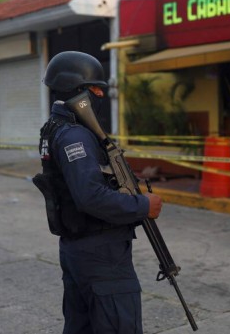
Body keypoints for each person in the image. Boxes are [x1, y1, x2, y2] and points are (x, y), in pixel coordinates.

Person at [39, 51, 163, 334]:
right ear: (77, 89)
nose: (100, 95)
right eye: (95, 88)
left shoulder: (56, 128)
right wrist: (142, 206)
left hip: (79, 248)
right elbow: (89, 196)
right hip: (100, 254)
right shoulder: (75, 135)